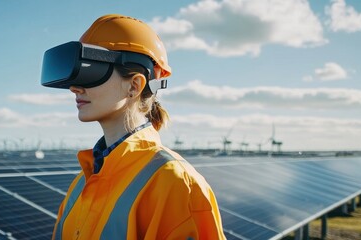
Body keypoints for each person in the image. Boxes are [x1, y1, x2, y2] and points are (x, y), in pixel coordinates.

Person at [41, 14, 225, 240]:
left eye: (90, 72)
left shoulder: (175, 182)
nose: (75, 88)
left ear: (134, 85)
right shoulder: (83, 181)